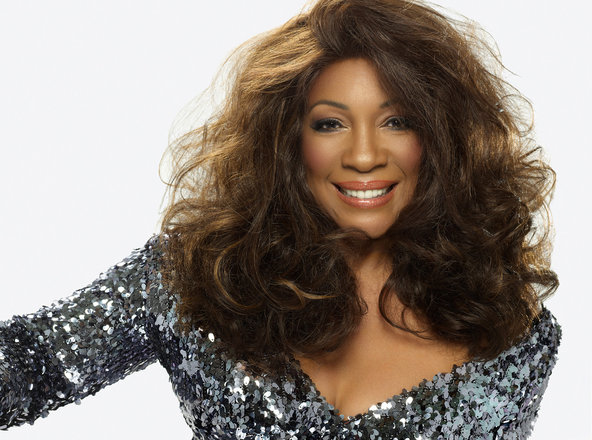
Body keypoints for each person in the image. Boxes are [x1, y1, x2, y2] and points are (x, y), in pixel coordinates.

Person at [0, 0, 561, 438]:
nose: (364, 156)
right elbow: (30, 362)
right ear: (286, 141)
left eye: (397, 121)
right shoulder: (193, 276)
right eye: (329, 124)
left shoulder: (514, 338)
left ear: (442, 140)